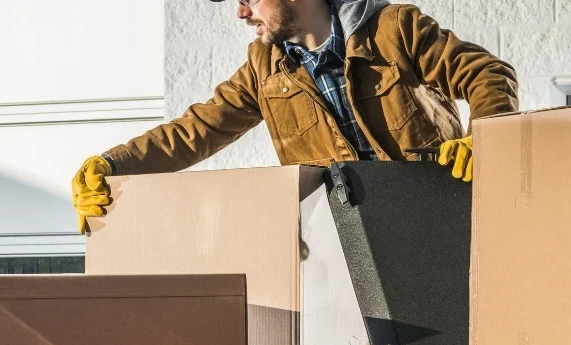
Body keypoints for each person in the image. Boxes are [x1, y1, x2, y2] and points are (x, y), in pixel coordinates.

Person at [71, 0, 518, 234]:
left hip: (438, 218)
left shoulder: (395, 28)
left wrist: (487, 138)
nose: (242, 12)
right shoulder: (263, 70)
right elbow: (195, 131)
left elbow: (486, 73)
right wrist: (113, 166)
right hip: (351, 243)